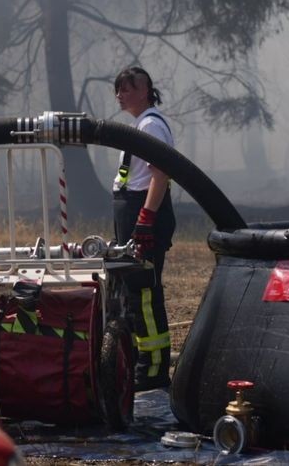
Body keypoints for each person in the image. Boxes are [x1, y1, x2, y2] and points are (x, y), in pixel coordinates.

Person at [112, 66, 175, 391]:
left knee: (144, 296)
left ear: (145, 90)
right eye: (118, 89)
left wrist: (145, 219)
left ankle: (151, 372)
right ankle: (139, 364)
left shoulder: (150, 125)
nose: (120, 94)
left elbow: (159, 175)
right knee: (131, 295)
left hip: (142, 218)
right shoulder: (141, 124)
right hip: (132, 216)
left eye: (127, 88)